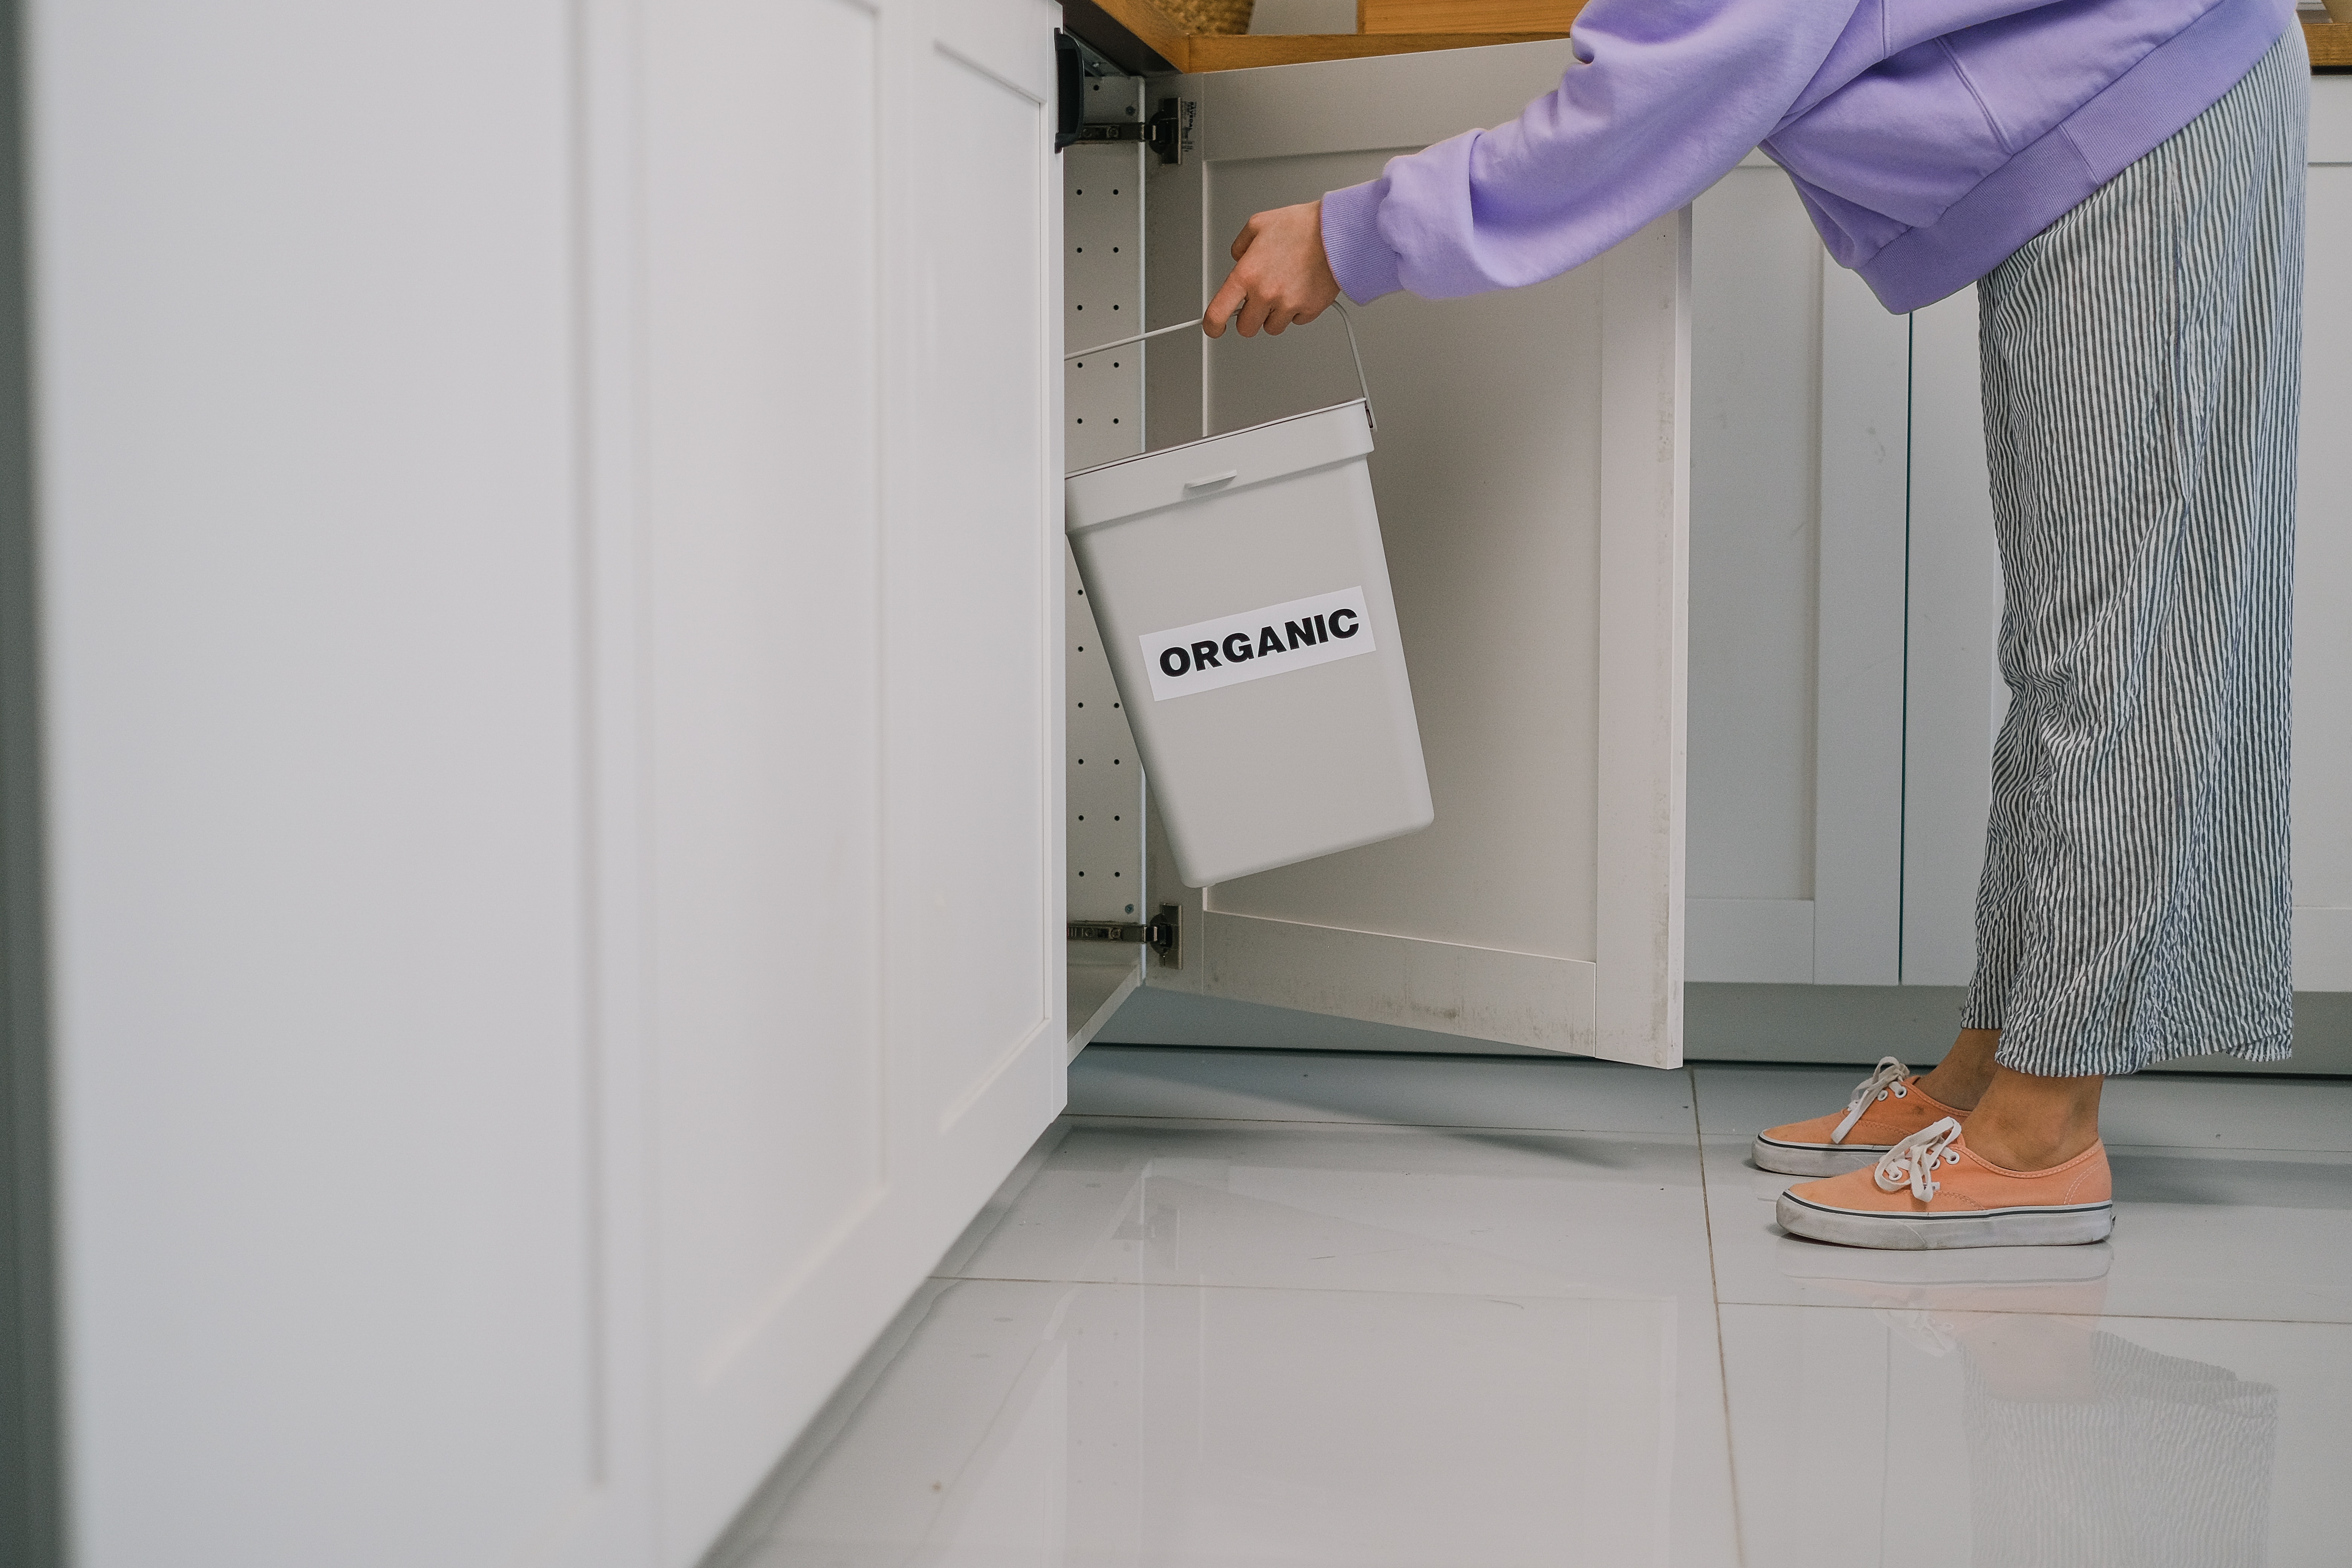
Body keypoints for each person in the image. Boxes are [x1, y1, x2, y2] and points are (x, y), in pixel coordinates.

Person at [1206, 0, 2307, 1248]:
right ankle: (1996, 1062)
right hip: (2110, 91)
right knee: (2081, 640)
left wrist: (1359, 235)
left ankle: (2043, 1131)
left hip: (2146, 96)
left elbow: (1685, 74)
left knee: (2115, 640)